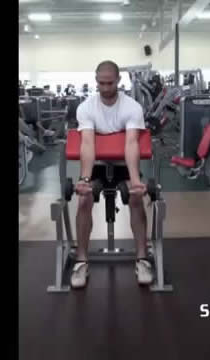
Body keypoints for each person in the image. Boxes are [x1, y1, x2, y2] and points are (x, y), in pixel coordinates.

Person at [71, 60, 153, 288]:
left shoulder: (132, 107)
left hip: (123, 165)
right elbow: (87, 144)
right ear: (95, 81)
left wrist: (136, 181)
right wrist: (84, 179)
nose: (105, 88)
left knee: (136, 197)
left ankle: (142, 258)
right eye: (101, 83)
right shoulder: (86, 107)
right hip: (96, 164)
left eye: (109, 83)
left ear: (118, 80)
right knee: (84, 197)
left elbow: (131, 144)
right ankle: (81, 261)